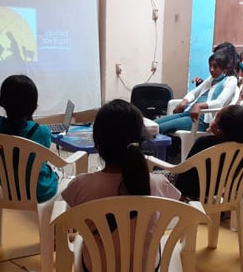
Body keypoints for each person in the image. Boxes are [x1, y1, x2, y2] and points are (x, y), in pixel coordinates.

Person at [61, 99, 181, 271]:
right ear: (140, 141)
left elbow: (68, 218)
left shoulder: (80, 185)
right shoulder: (159, 184)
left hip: (97, 267)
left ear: (97, 144)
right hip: (146, 266)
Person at [0, 75, 59, 202]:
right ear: (34, 105)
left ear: (1, 101)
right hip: (39, 193)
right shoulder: (42, 131)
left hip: (8, 190)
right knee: (55, 173)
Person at [174, 105, 243, 200]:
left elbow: (184, 178)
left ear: (218, 127)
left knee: (159, 177)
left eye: (215, 117)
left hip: (189, 194)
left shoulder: (204, 142)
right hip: (216, 192)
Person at [154, 52, 238, 134]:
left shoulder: (231, 80)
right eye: (210, 66)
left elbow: (220, 102)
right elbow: (195, 92)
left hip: (203, 119)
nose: (211, 70)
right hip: (189, 112)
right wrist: (183, 102)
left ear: (225, 68)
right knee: (153, 124)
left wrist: (199, 106)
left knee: (159, 128)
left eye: (215, 67)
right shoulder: (211, 79)